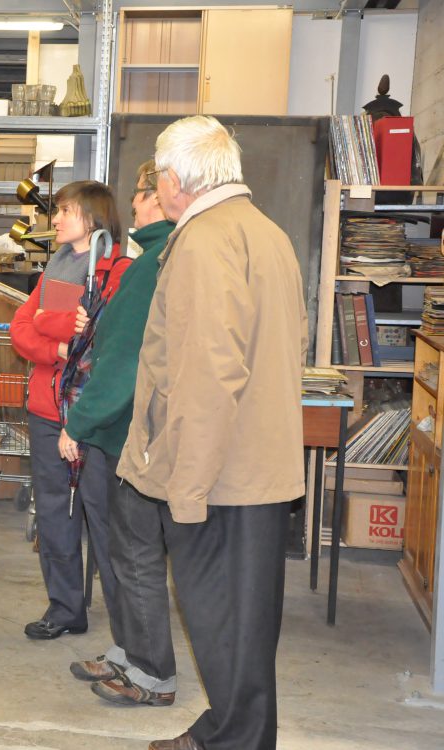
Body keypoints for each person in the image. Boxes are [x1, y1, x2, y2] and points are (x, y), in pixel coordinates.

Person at [115, 116, 306, 750]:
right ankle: (231, 731)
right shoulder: (265, 231)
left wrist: (186, 489)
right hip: (258, 464)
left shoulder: (203, 240)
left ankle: (235, 739)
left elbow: (206, 372)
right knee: (245, 625)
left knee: (222, 620)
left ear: (174, 180)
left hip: (218, 472)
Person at [58, 162, 178, 706]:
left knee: (135, 557)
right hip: (125, 433)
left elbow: (124, 361)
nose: (135, 204)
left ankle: (152, 673)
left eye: (143, 194)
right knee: (120, 551)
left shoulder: (154, 264)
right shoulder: (150, 260)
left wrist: (77, 422)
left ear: (165, 197)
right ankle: (130, 651)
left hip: (127, 434)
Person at [9, 181, 131, 640]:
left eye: (65, 211)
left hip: (94, 417)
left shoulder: (117, 271)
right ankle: (64, 609)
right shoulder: (56, 267)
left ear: (94, 218)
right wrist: (58, 334)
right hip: (45, 409)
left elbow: (101, 341)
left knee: (103, 517)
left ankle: (128, 621)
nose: (55, 219)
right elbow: (21, 328)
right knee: (56, 515)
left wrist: (49, 325)